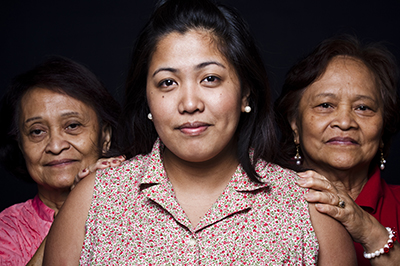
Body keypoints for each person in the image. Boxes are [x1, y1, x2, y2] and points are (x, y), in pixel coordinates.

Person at [44, 0, 356, 265]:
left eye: (210, 79)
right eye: (167, 83)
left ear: (246, 92)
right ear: (148, 98)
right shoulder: (95, 199)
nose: (190, 103)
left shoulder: (310, 208)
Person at [275, 35, 400, 265]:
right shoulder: (268, 205)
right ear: (295, 124)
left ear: (383, 127)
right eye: (325, 105)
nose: (344, 122)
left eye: (363, 108)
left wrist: (369, 231)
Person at [0, 56, 123, 266]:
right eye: (37, 131)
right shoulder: (8, 228)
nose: (56, 146)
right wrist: (72, 209)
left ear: (106, 137)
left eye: (73, 126)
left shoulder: (137, 208)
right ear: (20, 145)